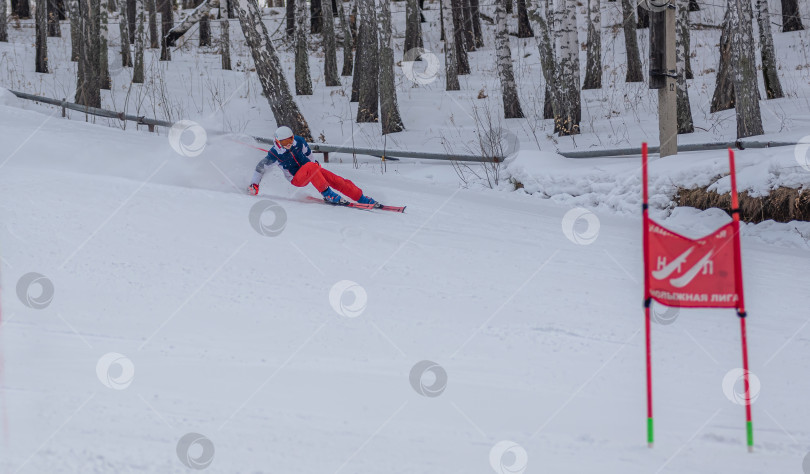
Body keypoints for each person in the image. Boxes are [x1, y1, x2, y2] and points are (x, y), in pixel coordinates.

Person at [247, 126, 380, 207]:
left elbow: (308, 153)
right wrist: (254, 185)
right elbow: (260, 168)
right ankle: (328, 195)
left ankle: (361, 198)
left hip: (310, 170)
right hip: (296, 179)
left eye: (290, 139)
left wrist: (316, 165)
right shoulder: (274, 154)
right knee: (311, 167)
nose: (289, 143)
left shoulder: (298, 141)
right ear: (277, 141)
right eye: (285, 141)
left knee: (336, 179)